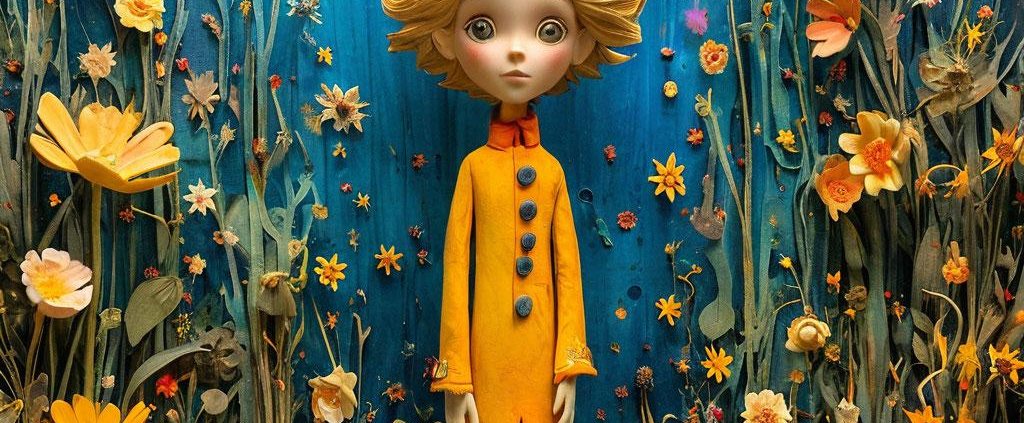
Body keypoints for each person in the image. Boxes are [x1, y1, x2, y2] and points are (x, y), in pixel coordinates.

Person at [382, 1, 645, 422]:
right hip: (487, 357)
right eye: (483, 29)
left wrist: (570, 368)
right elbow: (455, 271)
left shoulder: (552, 170)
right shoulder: (474, 168)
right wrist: (456, 378)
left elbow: (569, 273)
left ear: (582, 44)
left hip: (543, 362)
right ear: (445, 40)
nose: (517, 51)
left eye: (549, 30)